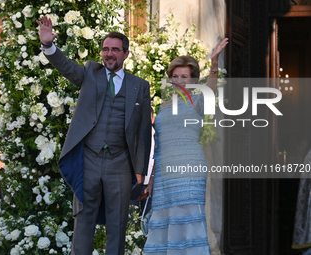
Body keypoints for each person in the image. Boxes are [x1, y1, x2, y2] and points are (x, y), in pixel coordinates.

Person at [37, 16, 151, 255]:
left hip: (120, 162)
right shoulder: (90, 72)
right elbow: (67, 67)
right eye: (105, 49)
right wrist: (48, 45)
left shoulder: (139, 85)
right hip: (89, 159)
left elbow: (143, 131)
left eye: (115, 50)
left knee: (118, 223)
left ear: (126, 54)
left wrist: (139, 171)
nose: (109, 54)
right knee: (84, 219)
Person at [143, 38, 228, 254]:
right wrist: (152, 177)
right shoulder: (162, 107)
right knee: (165, 222)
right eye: (175, 76)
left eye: (185, 76)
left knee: (188, 223)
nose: (179, 80)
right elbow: (158, 144)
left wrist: (214, 63)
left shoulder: (197, 101)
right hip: (163, 173)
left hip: (189, 169)